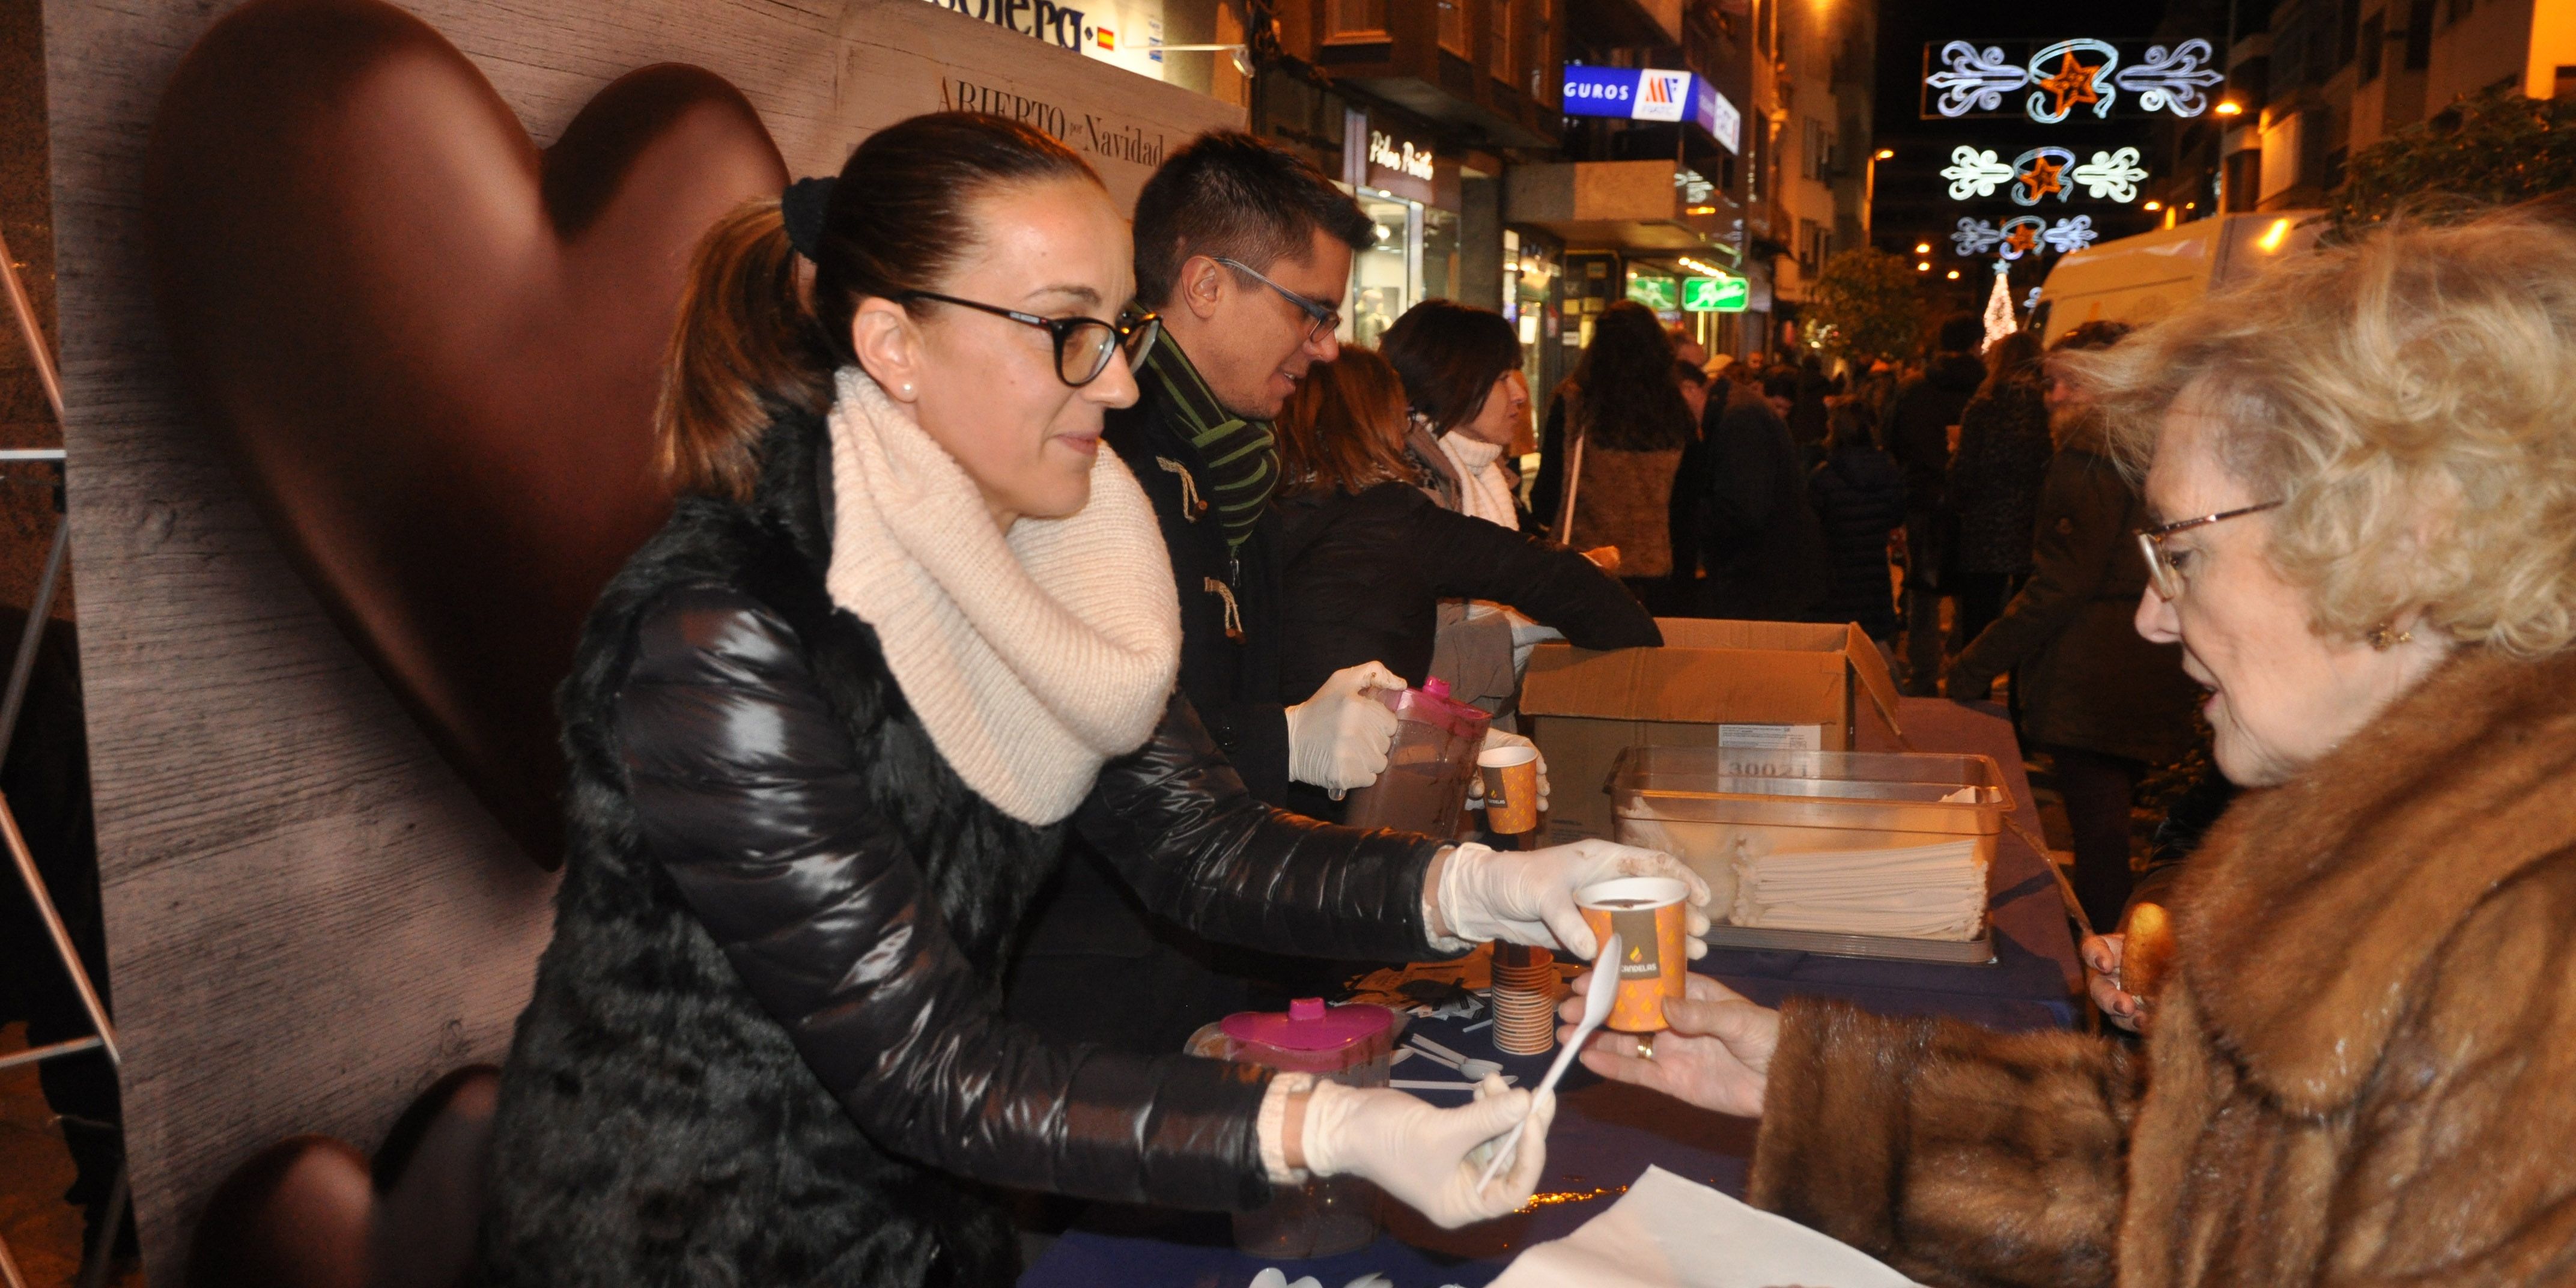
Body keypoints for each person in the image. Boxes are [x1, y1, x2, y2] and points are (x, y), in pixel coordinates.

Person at [474, 114, 1721, 1288]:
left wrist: (1491, 888)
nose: (1118, 385)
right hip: (687, 1240)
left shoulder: (1043, 558)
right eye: (1062, 330)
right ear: (892, 348)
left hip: (930, 1228)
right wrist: (1318, 1125)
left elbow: (1201, 843)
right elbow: (927, 1064)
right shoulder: (725, 634)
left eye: (1111, 328)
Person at [1565, 211, 2576, 1285]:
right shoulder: (2418, 850)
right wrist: (1816, 1087)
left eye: (2180, 552)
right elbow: (2205, 1179)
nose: (2150, 614)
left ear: (2393, 542)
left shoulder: (2530, 946)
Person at [1007, 131, 1384, 1053]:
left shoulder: (1235, 455)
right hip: (1092, 978)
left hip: (1204, 937)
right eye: (1311, 313)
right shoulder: (1095, 460)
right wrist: (1287, 737)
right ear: (1209, 286)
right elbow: (1076, 731)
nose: (1327, 349)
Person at [1269, 348, 1660, 822]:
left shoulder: (1256, 509)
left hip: (1248, 794)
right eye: (1402, 416)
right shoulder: (1387, 517)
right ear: (1376, 421)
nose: (1406, 430)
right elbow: (1551, 575)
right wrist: (1643, 646)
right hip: (1351, 809)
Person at [1946, 322, 2199, 933]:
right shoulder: (2158, 448)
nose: (2050, 394)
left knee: (2099, 831)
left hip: (2090, 669)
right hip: (2146, 661)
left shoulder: (2087, 458)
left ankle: (2109, 960)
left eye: (2062, 381)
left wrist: (1974, 663)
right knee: (2112, 824)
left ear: (2102, 382)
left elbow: (2060, 583)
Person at [1531, 300, 1695, 602]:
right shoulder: (1677, 415)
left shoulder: (1574, 407)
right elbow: (1689, 507)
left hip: (1585, 568)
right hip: (1659, 575)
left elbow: (1545, 499)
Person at [1885, 315, 1986, 693]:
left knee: (1923, 591)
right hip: (1973, 504)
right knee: (1970, 592)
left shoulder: (1914, 388)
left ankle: (1924, 673)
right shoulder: (1987, 389)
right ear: (1976, 344)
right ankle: (1962, 670)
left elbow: (1892, 438)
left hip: (1923, 500)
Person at [1943, 329, 2052, 651]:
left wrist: (1959, 502)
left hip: (1985, 525)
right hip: (2032, 525)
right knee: (2025, 619)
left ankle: (1973, 691)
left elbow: (1964, 468)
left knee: (1979, 617)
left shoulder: (1984, 404)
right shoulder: (2048, 407)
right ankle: (2021, 695)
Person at [1379, 299, 1529, 530]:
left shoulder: (1488, 471)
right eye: (1502, 379)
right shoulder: (1406, 488)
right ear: (1450, 383)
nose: (1520, 395)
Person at [1694, 363, 1828, 621]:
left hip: (1767, 578)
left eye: (1785, 409)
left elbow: (1745, 507)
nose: (1781, 414)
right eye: (1776, 406)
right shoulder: (1749, 418)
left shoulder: (1744, 421)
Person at [1806, 400, 1906, 648]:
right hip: (1874, 578)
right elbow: (1896, 515)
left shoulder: (1824, 476)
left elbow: (1812, 525)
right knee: (1876, 648)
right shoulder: (1888, 470)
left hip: (1836, 578)